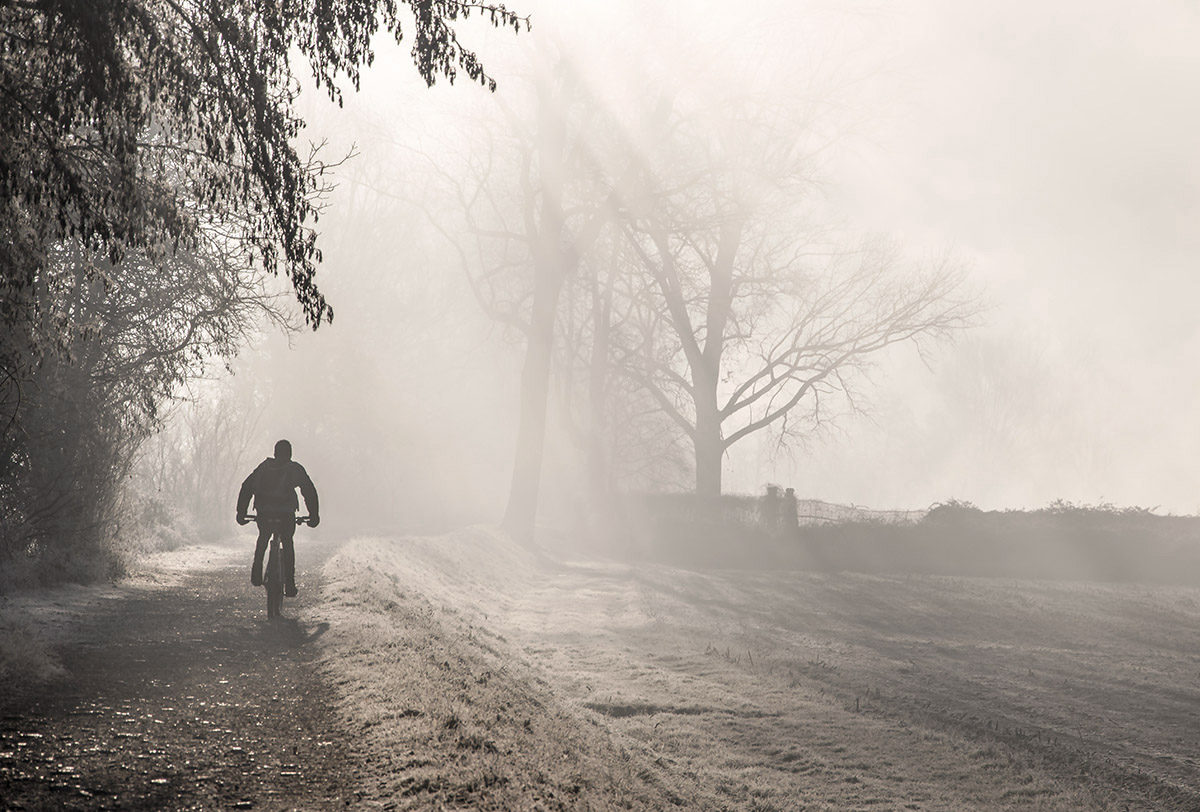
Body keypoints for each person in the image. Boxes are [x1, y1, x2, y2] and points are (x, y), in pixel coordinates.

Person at [236, 439, 319, 597]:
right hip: (286, 513)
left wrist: (241, 513)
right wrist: (313, 515)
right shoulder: (294, 469)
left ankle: (257, 566)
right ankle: (289, 583)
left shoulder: (264, 468)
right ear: (290, 453)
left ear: (274, 453)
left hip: (264, 512)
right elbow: (308, 490)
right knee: (287, 542)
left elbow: (246, 487)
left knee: (264, 536)